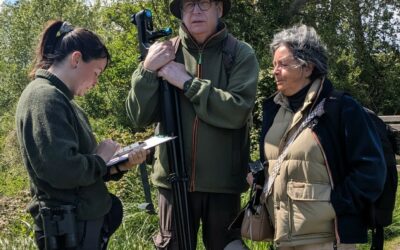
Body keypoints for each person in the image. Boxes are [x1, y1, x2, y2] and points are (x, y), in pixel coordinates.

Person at [126, 0, 259, 249]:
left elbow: (237, 111)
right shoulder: (163, 52)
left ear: (219, 9)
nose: (196, 11)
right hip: (172, 182)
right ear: (181, 12)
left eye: (204, 3)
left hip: (223, 184)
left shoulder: (240, 53)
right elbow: (137, 116)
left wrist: (188, 83)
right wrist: (147, 70)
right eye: (188, 4)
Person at [247, 24, 386, 250]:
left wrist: (334, 204)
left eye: (283, 63)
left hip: (326, 240)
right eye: (274, 64)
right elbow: (279, 165)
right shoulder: (274, 110)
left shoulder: (340, 108)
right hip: (282, 238)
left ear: (307, 67)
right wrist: (260, 178)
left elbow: (371, 173)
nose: (274, 70)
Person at [15, 20, 148, 250]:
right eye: (96, 72)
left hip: (80, 225)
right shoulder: (45, 98)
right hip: (69, 230)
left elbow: (77, 169)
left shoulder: (62, 99)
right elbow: (62, 171)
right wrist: (100, 159)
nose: (96, 82)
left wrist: (116, 165)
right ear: (76, 59)